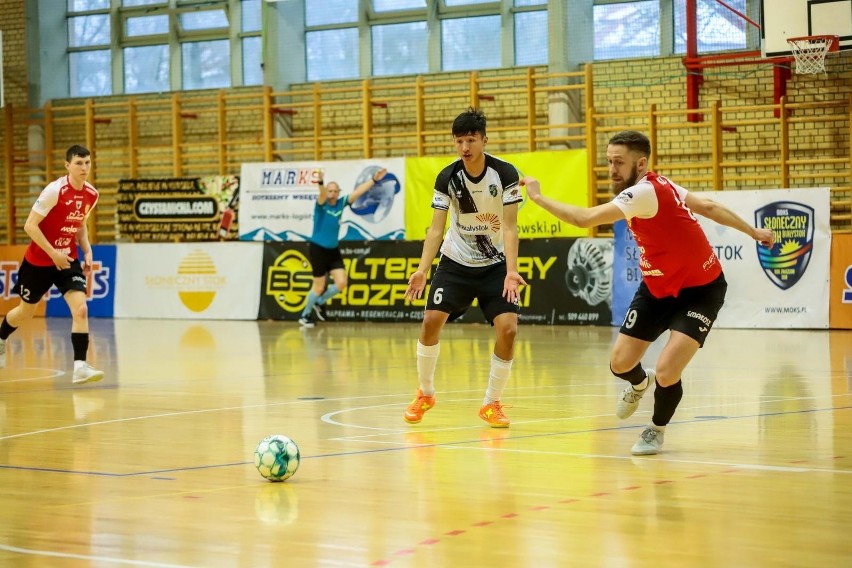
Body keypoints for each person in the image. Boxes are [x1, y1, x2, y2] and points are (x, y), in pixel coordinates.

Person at [523, 130, 775, 454]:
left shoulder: (642, 193)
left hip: (700, 291)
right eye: (609, 161)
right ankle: (640, 382)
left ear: (640, 163)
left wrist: (538, 198)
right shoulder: (660, 185)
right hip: (657, 288)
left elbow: (583, 217)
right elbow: (707, 206)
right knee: (619, 363)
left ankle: (655, 429)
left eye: (619, 162)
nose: (611, 169)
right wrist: (753, 231)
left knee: (669, 370)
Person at [403, 107, 526, 428]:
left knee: (509, 330)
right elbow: (435, 229)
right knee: (430, 321)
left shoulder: (506, 174)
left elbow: (511, 228)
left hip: (496, 266)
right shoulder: (447, 177)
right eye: (459, 141)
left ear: (484, 140)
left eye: (471, 140)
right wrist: (422, 269)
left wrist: (512, 270)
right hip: (455, 262)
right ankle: (425, 393)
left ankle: (491, 403)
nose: (465, 148)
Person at [0, 144, 104, 384]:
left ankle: (80, 366)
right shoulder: (54, 191)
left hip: (67, 258)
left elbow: (79, 224)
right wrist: (52, 252)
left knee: (81, 309)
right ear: (68, 165)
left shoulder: (91, 194)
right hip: (38, 261)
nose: (84, 168)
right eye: (79, 163)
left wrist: (86, 250)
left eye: (87, 162)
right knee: (26, 312)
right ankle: (1, 336)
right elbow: (30, 226)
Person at [298, 166, 388, 327]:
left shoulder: (341, 203)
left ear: (338, 192)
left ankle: (319, 302)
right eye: (329, 191)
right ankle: (305, 315)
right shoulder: (321, 205)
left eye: (334, 191)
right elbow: (322, 193)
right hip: (317, 249)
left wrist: (374, 180)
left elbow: (358, 192)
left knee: (341, 283)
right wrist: (321, 181)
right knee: (318, 286)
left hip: (333, 250)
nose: (332, 194)